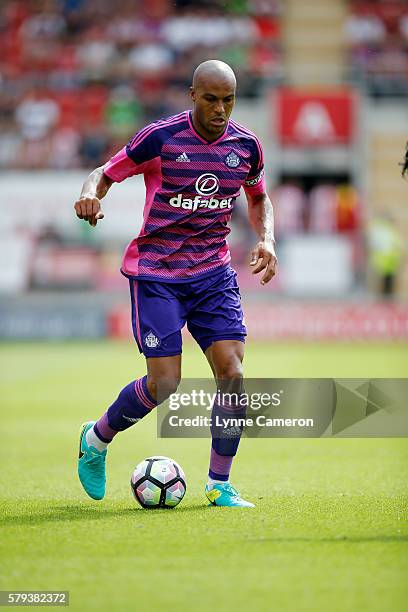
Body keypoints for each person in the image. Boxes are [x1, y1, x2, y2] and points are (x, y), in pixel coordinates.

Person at [74, 60, 277, 508]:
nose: (220, 109)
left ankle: (219, 484)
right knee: (165, 384)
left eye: (228, 100)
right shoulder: (161, 138)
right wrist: (90, 193)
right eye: (211, 99)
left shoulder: (247, 147)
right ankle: (96, 438)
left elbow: (258, 197)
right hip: (158, 274)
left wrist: (266, 238)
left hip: (214, 273)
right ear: (192, 96)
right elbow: (104, 173)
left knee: (233, 373)